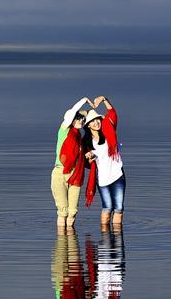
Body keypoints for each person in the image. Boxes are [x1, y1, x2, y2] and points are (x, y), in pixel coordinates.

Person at [83, 96, 126, 229]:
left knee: (118, 208)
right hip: (102, 179)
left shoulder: (108, 129)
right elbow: (87, 163)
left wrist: (103, 99)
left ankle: (117, 241)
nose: (96, 122)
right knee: (107, 208)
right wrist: (89, 158)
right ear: (88, 125)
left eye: (97, 119)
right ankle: (105, 240)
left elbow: (112, 113)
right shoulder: (86, 142)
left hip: (118, 175)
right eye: (92, 121)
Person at [51, 96, 92, 229]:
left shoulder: (79, 137)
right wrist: (84, 100)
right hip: (60, 172)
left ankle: (72, 246)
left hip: (75, 174)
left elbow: (79, 156)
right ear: (71, 119)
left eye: (82, 119)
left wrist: (88, 155)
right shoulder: (64, 130)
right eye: (78, 117)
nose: (81, 120)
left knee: (72, 212)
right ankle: (62, 245)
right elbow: (72, 113)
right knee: (63, 212)